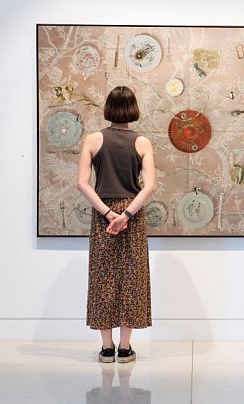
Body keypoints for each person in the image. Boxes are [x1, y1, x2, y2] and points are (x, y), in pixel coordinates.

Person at [76, 86, 157, 363]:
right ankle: (125, 347)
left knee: (103, 277)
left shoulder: (93, 140)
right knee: (132, 278)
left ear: (108, 108)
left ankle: (106, 348)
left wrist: (108, 213)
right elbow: (150, 186)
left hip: (103, 214)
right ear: (133, 108)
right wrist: (127, 215)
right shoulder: (142, 142)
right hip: (132, 214)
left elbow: (82, 184)